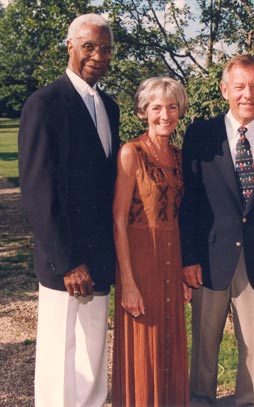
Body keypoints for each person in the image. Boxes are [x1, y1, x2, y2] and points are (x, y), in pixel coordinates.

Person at [179, 54, 254, 405]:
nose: (248, 94)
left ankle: (253, 402)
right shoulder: (201, 135)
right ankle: (200, 401)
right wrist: (189, 259)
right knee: (203, 346)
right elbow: (189, 201)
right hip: (210, 259)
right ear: (224, 90)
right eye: (240, 86)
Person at [18, 14, 120, 407]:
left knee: (93, 355)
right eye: (89, 46)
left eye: (105, 48)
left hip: (100, 257)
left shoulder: (108, 106)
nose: (97, 55)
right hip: (66, 259)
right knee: (60, 358)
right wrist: (68, 261)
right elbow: (38, 189)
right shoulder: (44, 103)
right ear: (70, 47)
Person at [112, 77, 191, 407]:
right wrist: (127, 283)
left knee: (169, 342)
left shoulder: (178, 155)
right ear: (144, 111)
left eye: (172, 107)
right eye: (157, 107)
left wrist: (186, 271)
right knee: (145, 343)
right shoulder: (131, 152)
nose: (165, 115)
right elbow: (117, 220)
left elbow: (181, 216)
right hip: (142, 261)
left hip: (172, 257)